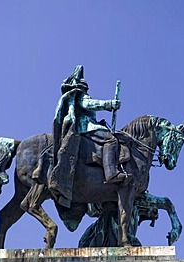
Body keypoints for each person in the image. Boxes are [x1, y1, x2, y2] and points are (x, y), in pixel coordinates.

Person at [46, 65, 132, 207]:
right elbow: (89, 104)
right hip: (85, 127)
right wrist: (108, 104)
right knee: (111, 140)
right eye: (85, 86)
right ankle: (111, 173)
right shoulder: (80, 97)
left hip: (88, 126)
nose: (86, 88)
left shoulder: (76, 96)